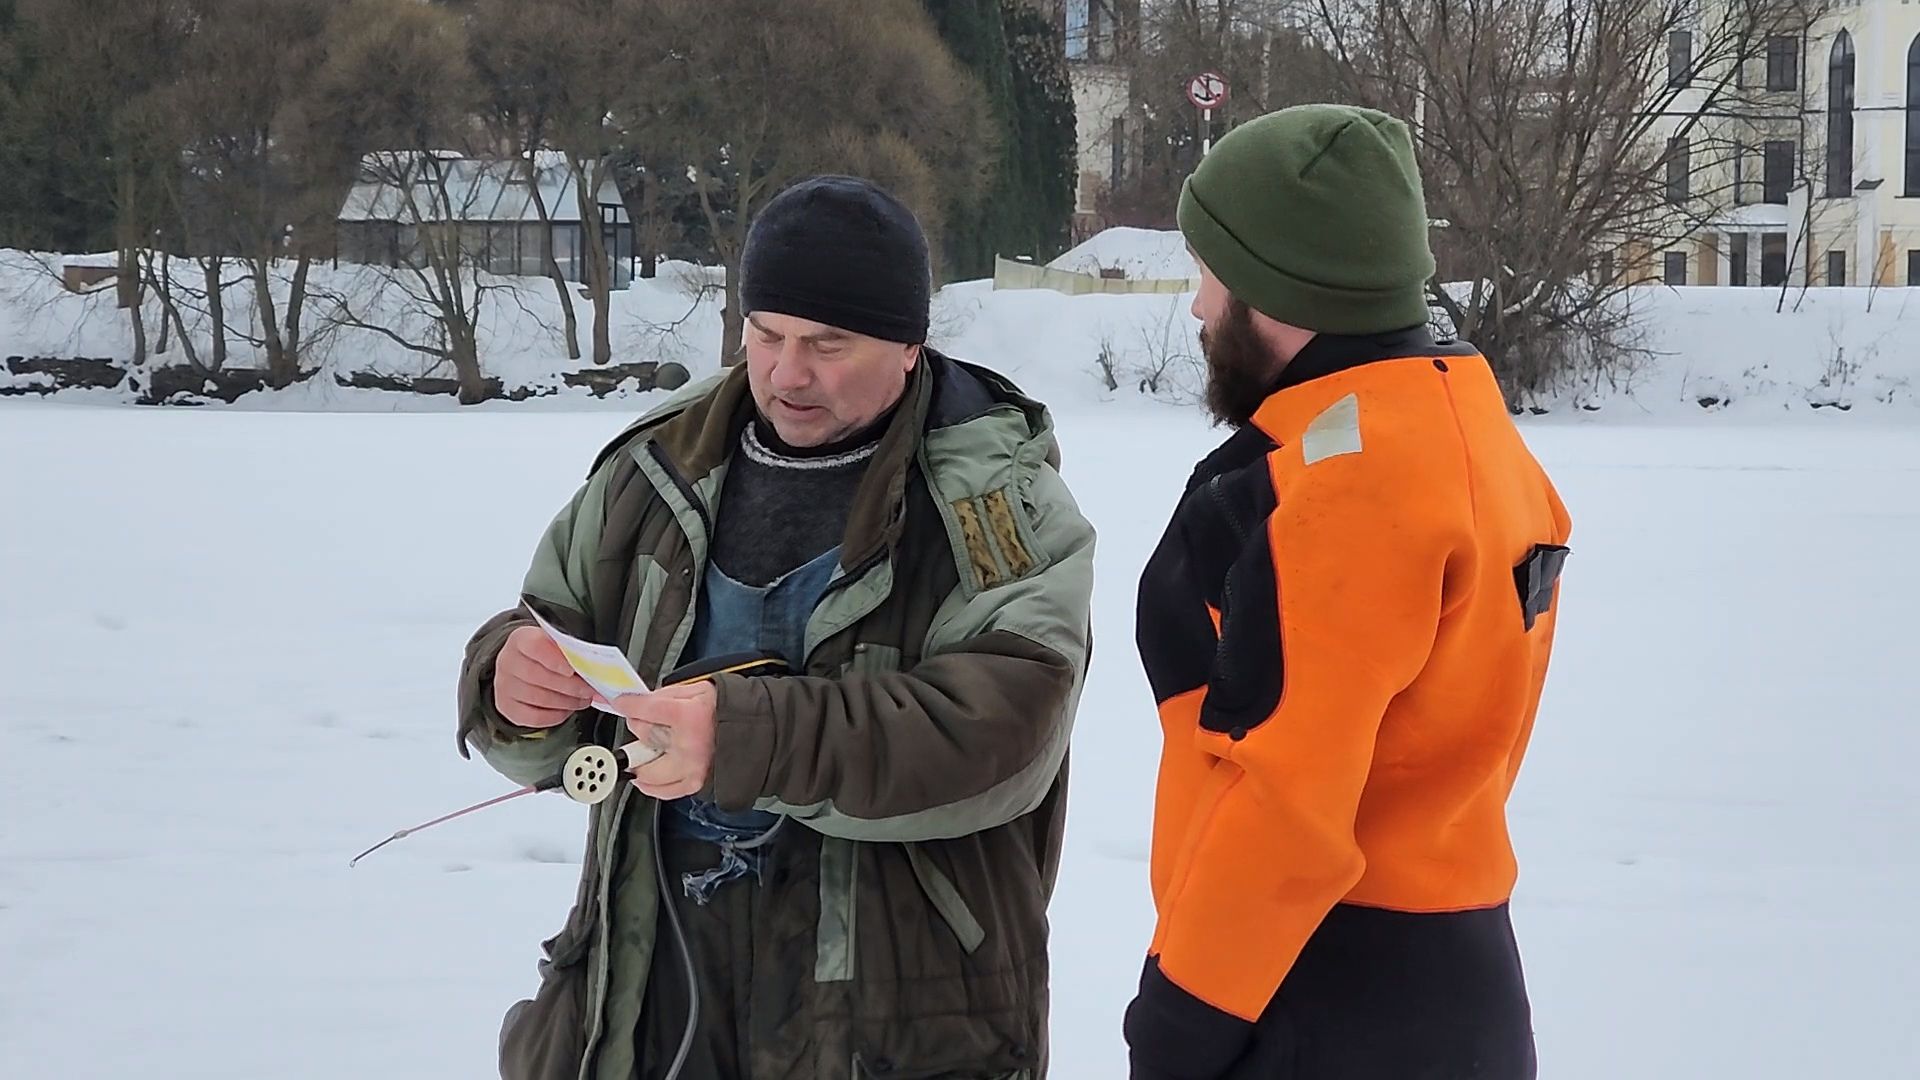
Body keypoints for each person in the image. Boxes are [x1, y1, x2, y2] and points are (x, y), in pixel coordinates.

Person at [456, 175, 1096, 1080]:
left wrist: (750, 737)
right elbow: (545, 639)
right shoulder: (653, 469)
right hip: (655, 995)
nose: (788, 373)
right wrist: (509, 690)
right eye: (767, 336)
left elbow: (1003, 733)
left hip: (890, 1021)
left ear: (910, 348)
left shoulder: (994, 499)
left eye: (830, 344)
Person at [1124, 104, 1574, 1080]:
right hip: (1463, 987)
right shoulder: (1476, 443)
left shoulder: (1337, 492)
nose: (1199, 307)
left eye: (1211, 272)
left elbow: (1286, 803)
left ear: (1279, 285)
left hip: (1313, 995)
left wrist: (1180, 1022)